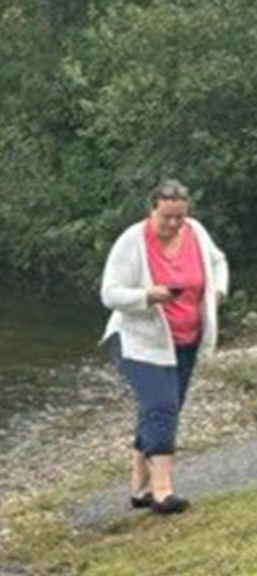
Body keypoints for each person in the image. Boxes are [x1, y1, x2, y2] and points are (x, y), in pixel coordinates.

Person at [100, 180, 229, 515]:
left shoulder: (196, 233)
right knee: (161, 405)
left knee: (161, 409)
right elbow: (109, 293)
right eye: (167, 217)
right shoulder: (132, 241)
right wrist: (147, 296)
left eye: (179, 218)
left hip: (185, 340)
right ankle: (163, 493)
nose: (173, 224)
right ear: (152, 209)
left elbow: (218, 262)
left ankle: (138, 490)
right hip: (138, 342)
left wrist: (218, 291)